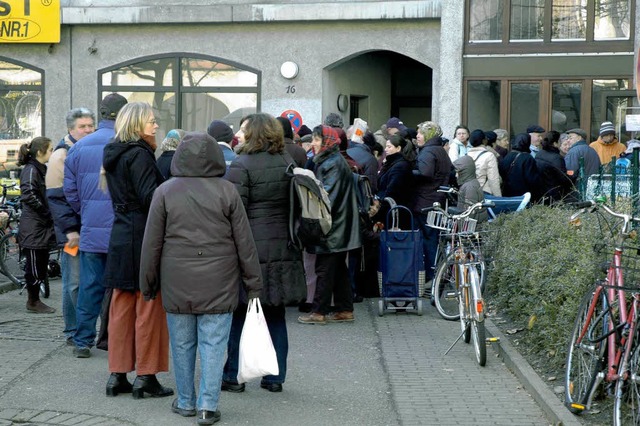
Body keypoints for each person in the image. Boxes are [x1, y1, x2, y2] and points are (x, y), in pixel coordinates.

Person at [140, 132, 263, 425]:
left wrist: (148, 283)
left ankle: (185, 402)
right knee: (213, 344)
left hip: (176, 280)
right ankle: (208, 406)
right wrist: (253, 283)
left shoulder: (166, 191)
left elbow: (151, 243)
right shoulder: (227, 190)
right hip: (219, 280)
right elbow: (244, 242)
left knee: (182, 344)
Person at [223, 113, 306, 392]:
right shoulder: (287, 161)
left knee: (240, 313)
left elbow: (234, 213)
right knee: (275, 312)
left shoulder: (241, 164)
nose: (240, 133)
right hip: (283, 245)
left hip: (250, 249)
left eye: (244, 129)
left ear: (253, 133)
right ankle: (275, 377)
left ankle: (233, 375)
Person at [102, 102, 171, 400]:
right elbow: (151, 199)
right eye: (151, 121)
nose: (156, 126)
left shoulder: (114, 153)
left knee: (121, 307)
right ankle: (146, 376)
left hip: (120, 234)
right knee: (148, 305)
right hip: (142, 236)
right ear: (137, 124)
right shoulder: (140, 154)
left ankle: (117, 375)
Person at [64, 93, 127, 359]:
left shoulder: (79, 146)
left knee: (89, 286)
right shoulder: (127, 144)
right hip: (121, 229)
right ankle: (115, 339)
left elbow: (70, 191)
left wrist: (86, 213)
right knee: (121, 289)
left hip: (91, 230)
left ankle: (82, 340)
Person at [298, 125, 362, 325]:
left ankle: (318, 312)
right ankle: (345, 308)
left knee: (324, 268)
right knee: (338, 269)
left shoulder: (331, 163)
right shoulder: (332, 160)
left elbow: (327, 198)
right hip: (340, 225)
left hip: (334, 226)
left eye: (317, 140)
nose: (313, 144)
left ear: (327, 141)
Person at [47, 107, 95, 342]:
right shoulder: (61, 155)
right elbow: (56, 198)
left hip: (91, 228)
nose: (87, 130)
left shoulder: (92, 149)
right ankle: (72, 330)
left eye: (90, 125)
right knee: (74, 283)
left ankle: (85, 330)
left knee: (89, 281)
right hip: (73, 233)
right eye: (82, 126)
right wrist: (70, 230)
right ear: (70, 129)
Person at [411, 121, 452, 286]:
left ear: (427, 135)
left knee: (427, 240)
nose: (417, 137)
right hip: (437, 200)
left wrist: (408, 172)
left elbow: (425, 173)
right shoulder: (441, 151)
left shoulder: (428, 152)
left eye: (420, 133)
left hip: (424, 202)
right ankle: (436, 274)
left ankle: (431, 275)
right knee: (433, 239)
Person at [18, 136, 55, 314]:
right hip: (34, 226)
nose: (52, 153)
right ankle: (33, 301)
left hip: (41, 226)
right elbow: (29, 195)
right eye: (50, 150)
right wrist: (46, 212)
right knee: (34, 266)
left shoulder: (41, 169)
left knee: (40, 264)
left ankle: (35, 300)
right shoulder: (31, 170)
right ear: (40, 152)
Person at [370, 132, 415, 227]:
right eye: (386, 146)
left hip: (394, 214)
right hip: (390, 211)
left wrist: (379, 215)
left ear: (398, 148)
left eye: (389, 147)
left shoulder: (400, 166)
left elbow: (392, 192)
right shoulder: (391, 164)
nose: (385, 149)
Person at [499, 133, 541, 200]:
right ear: (527, 142)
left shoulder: (508, 156)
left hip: (507, 194)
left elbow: (502, 172)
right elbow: (532, 179)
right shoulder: (527, 158)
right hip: (523, 196)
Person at [535, 130, 573, 203]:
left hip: (541, 193)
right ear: (555, 143)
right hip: (553, 194)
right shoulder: (557, 158)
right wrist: (573, 174)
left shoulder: (539, 153)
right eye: (559, 141)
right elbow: (564, 178)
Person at [466, 129, 501, 196]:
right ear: (484, 140)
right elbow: (493, 179)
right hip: (483, 192)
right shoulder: (489, 155)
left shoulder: (466, 155)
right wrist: (498, 197)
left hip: (469, 192)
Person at [452, 156, 488, 222]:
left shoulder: (469, 187)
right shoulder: (471, 183)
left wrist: (463, 227)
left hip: (472, 226)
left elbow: (470, 211)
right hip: (475, 224)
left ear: (465, 172)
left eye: (458, 172)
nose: (456, 175)